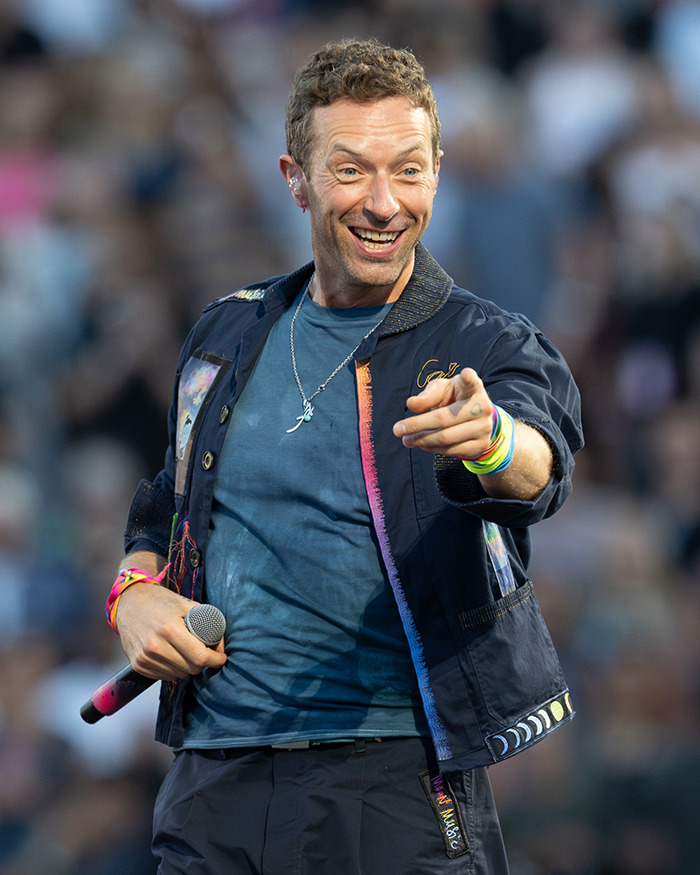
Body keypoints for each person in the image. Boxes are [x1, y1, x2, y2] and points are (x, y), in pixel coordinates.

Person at [107, 38, 583, 875]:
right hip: (212, 783)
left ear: (438, 170)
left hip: (393, 781)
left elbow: (540, 465)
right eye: (352, 170)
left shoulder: (485, 341)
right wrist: (134, 595)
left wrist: (493, 440)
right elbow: (164, 507)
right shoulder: (225, 332)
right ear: (296, 178)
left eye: (408, 170)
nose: (384, 202)